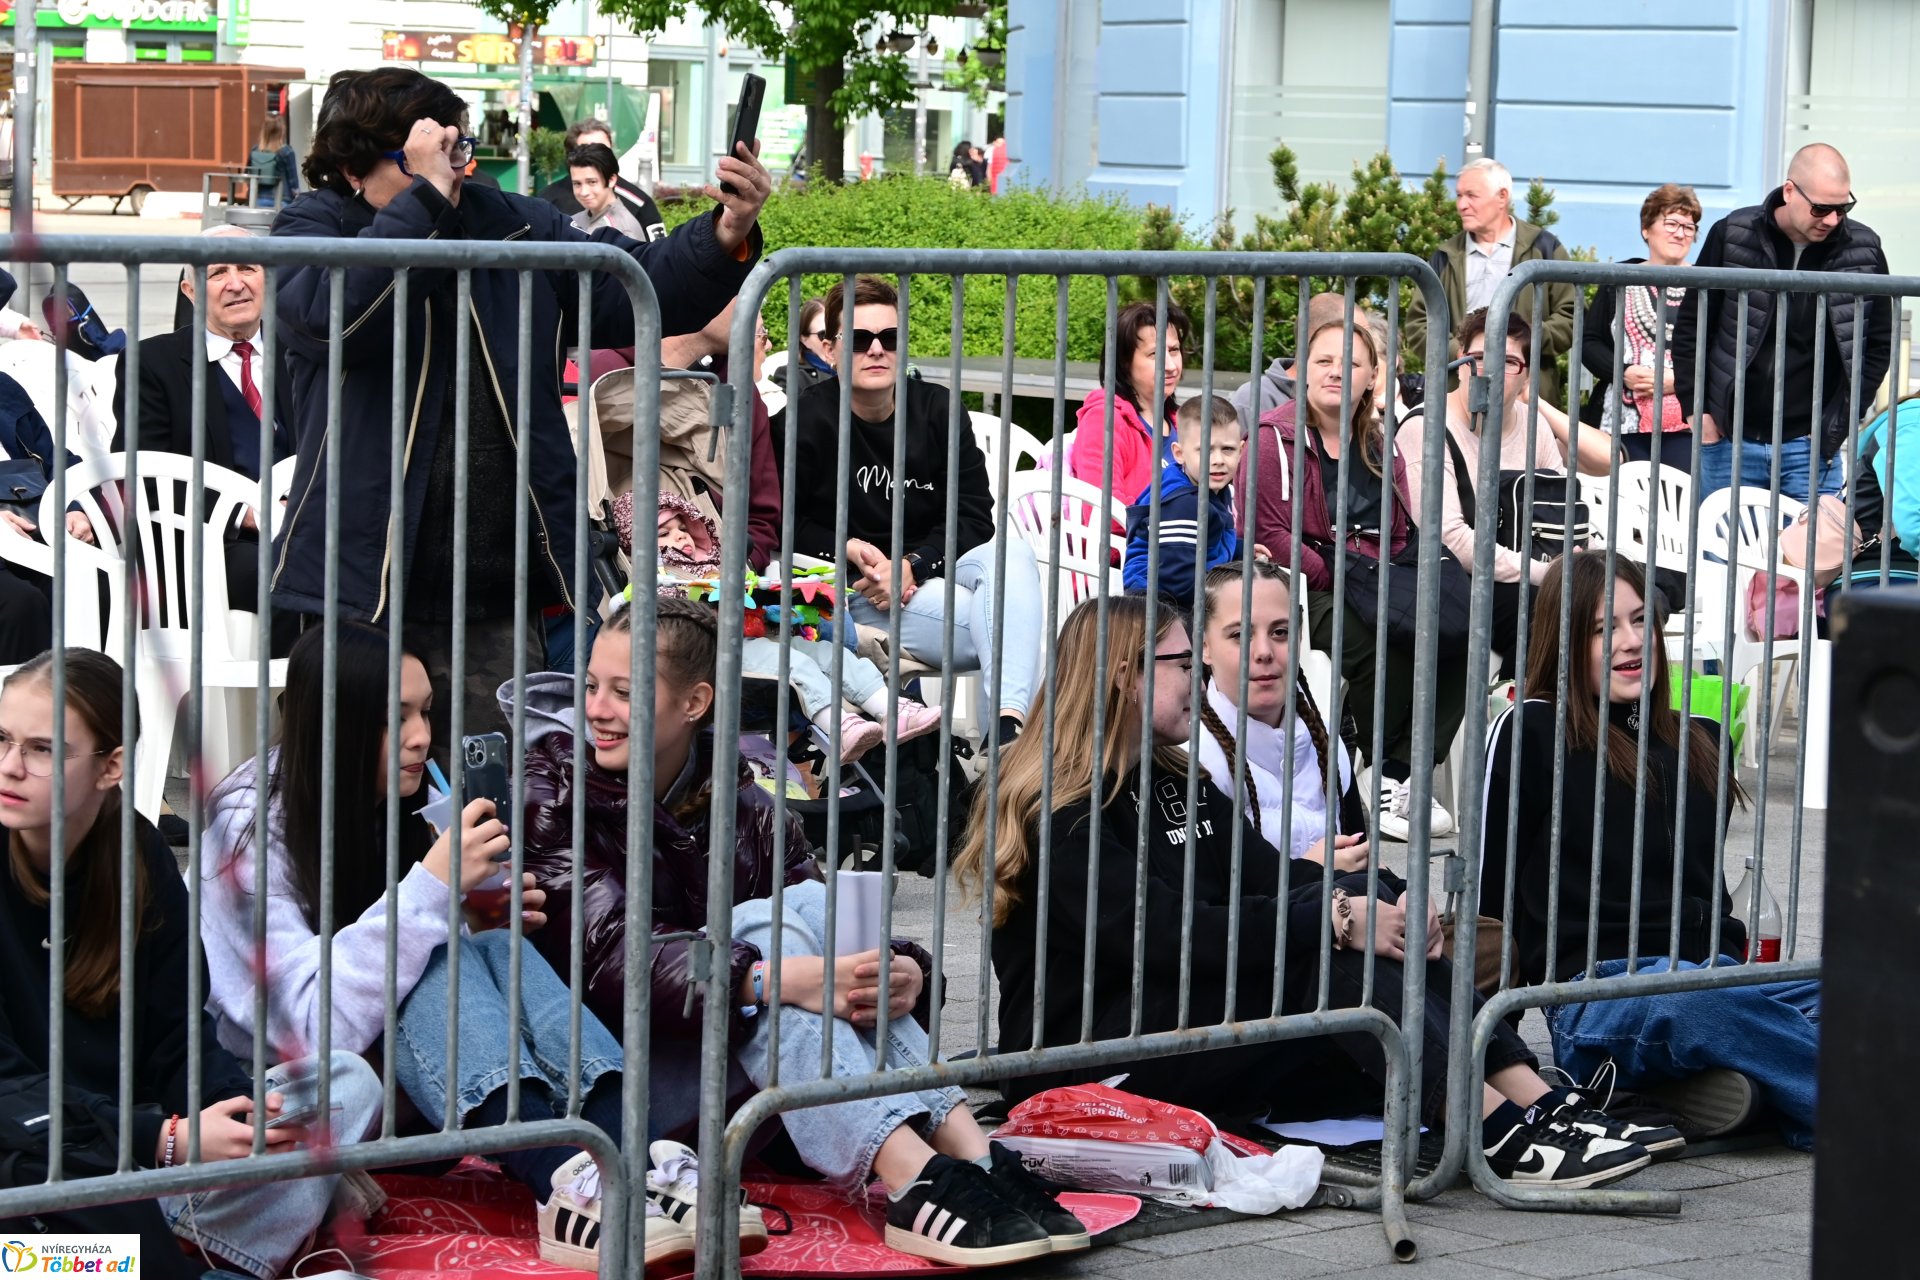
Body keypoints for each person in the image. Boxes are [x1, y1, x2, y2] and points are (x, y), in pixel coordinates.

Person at [959, 593, 1666, 1189]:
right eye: (1184, 665)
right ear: (1125, 677)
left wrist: (1385, 896)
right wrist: (1334, 920)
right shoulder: (1059, 809)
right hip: (1090, 1056)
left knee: (1364, 923)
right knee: (1328, 957)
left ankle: (1536, 1104)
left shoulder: (1175, 780)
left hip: (1179, 1015)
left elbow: (1271, 874)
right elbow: (1168, 937)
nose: (1201, 677)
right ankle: (1498, 1131)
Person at [521, 596, 1086, 1266]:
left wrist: (906, 969)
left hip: (747, 1075)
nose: (596, 709)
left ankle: (977, 1157)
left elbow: (828, 937)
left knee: (806, 915)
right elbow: (612, 962)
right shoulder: (556, 792)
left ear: (694, 702)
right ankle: (914, 1177)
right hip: (627, 1079)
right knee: (763, 939)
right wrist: (766, 977)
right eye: (590, 687)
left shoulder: (751, 807)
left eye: (624, 691)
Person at [270, 66, 768, 754]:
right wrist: (421, 206)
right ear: (357, 166)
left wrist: (727, 228)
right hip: (364, 585)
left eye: (455, 153)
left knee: (496, 792)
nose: (453, 172)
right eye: (422, 157)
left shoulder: (512, 225)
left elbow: (638, 289)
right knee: (356, 793)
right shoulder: (314, 224)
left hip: (494, 587)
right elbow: (334, 321)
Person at [200, 622, 637, 1268]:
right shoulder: (242, 827)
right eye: (393, 717)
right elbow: (309, 1027)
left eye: (426, 712)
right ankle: (565, 1174)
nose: (421, 737)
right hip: (297, 1101)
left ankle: (629, 1153)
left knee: (492, 950)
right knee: (433, 960)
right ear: (335, 722)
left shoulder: (416, 796)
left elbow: (421, 943)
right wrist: (432, 891)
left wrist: (479, 914)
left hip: (415, 1100)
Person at [0, 649, 382, 1278]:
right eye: (5, 739)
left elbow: (180, 1032)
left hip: (147, 1170)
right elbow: (10, 1100)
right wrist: (164, 1139)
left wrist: (237, 1118)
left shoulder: (138, 854)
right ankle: (193, 1253)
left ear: (111, 766)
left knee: (342, 1086)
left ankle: (189, 1243)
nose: (11, 767)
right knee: (47, 1256)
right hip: (33, 1181)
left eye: (43, 750)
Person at [1482, 552, 1822, 1150]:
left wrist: (1730, 968)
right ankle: (1871, 1103)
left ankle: (1709, 1088)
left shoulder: (1699, 737)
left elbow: (1705, 895)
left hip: (1709, 980)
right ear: (1562, 640)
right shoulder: (1531, 730)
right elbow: (1492, 898)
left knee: (1863, 982)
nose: (1631, 641)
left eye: (1642, 621)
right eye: (1602, 628)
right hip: (1595, 995)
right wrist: (1501, 1062)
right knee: (1699, 1009)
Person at [771, 275, 1044, 745]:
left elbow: (976, 515)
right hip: (856, 595)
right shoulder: (801, 422)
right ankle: (1013, 752)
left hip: (935, 568)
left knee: (1013, 556)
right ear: (831, 350)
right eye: (858, 340)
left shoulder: (937, 408)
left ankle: (1007, 730)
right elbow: (780, 523)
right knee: (1009, 624)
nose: (876, 350)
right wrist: (851, 548)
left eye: (889, 338)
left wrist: (914, 564)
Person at [1239, 313, 1467, 841]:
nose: (1336, 372)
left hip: (1380, 577)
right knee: (1378, 642)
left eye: (1353, 363)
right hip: (1312, 589)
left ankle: (1397, 775)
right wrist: (1332, 571)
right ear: (1303, 370)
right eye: (1324, 360)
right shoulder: (1274, 440)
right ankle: (1387, 779)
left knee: (1457, 633)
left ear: (1372, 376)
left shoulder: (1379, 444)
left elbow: (1402, 529)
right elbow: (1267, 532)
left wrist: (1387, 574)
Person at [619, 492, 939, 761]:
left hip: (757, 635)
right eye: (664, 533)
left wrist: (791, 594)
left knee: (825, 651)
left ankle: (892, 711)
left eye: (682, 527)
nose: (680, 536)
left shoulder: (716, 566)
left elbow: (756, 592)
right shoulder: (652, 583)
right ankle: (838, 726)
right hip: (715, 655)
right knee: (795, 663)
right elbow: (634, 612)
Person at [1398, 308, 1617, 674]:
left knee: (1632, 595)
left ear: (1527, 376)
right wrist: (1547, 575)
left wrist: (1583, 564)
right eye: (1480, 357)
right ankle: (1533, 721)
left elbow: (1560, 510)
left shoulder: (1536, 427)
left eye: (1510, 361)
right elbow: (1448, 539)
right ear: (1461, 360)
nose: (1491, 370)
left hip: (1533, 574)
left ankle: (1616, 722)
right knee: (1541, 609)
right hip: (1454, 582)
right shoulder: (1426, 426)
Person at [1672, 143, 1891, 503]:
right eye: (1821, 208)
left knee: (1811, 560)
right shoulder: (1732, 233)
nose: (1832, 219)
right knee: (1722, 558)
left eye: (1842, 207)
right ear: (1789, 191)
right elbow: (1693, 325)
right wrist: (1697, 410)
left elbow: (1878, 344)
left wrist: (1839, 424)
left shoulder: (1863, 250)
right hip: (1728, 440)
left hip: (1811, 448)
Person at [112, 223, 295, 631]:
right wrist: (246, 513)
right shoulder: (153, 364)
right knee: (298, 578)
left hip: (307, 526)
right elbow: (141, 475)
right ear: (191, 291)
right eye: (216, 273)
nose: (235, 284)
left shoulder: (301, 354)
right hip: (211, 543)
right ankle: (297, 695)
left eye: (247, 268)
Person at [1192, 561, 1368, 870]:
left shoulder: (1326, 742)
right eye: (1239, 634)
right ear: (1205, 647)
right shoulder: (1193, 760)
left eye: (1280, 632)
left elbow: (1362, 857)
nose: (1264, 651)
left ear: (1300, 637)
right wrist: (1309, 871)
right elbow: (1207, 903)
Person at [1403, 158, 1578, 405]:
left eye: (1471, 195)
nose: (1462, 205)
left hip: (1527, 397)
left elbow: (1572, 316)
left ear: (1502, 197)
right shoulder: (1445, 256)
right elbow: (1419, 324)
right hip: (1460, 393)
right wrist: (1463, 355)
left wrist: (1520, 346)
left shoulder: (1544, 247)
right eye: (1459, 195)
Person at [1579, 184, 1700, 463]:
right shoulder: (1618, 280)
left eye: (1689, 227)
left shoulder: (1709, 285)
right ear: (1646, 228)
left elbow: (1723, 351)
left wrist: (1682, 381)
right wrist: (1623, 372)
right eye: (1671, 223)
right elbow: (1589, 342)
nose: (1680, 233)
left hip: (1688, 428)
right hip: (1622, 426)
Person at [1122, 393, 1247, 605]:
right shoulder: (1184, 505)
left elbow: (1207, 542)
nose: (1217, 461)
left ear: (1241, 451)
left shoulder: (1211, 485)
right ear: (1179, 453)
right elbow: (1178, 583)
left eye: (1228, 449)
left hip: (1186, 591)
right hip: (1159, 608)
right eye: (1205, 451)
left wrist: (1241, 549)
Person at [1068, 300, 1189, 514]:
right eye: (1155, 354)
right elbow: (1103, 513)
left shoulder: (1184, 423)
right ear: (1124, 361)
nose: (1171, 366)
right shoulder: (1104, 419)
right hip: (1128, 546)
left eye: (1174, 350)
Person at [1227, 292, 1346, 437]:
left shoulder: (1355, 398)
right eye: (1358, 335)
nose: (1367, 347)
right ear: (1317, 338)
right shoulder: (1253, 400)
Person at [539, 117, 667, 239]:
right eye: (586, 150)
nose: (584, 191)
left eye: (602, 150)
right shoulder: (548, 199)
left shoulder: (638, 203)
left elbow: (656, 252)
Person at [568, 143, 648, 239]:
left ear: (611, 180)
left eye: (592, 182)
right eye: (577, 183)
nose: (584, 192)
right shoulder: (574, 221)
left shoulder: (621, 231)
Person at [771, 297, 835, 397]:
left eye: (836, 332)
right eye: (824, 334)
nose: (831, 340)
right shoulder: (793, 376)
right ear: (804, 340)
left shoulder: (856, 366)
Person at [248, 115, 300, 209]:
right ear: (281, 132)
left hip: (257, 200)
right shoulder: (287, 151)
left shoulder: (255, 150)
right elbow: (293, 182)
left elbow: (248, 173)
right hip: (282, 200)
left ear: (264, 132)